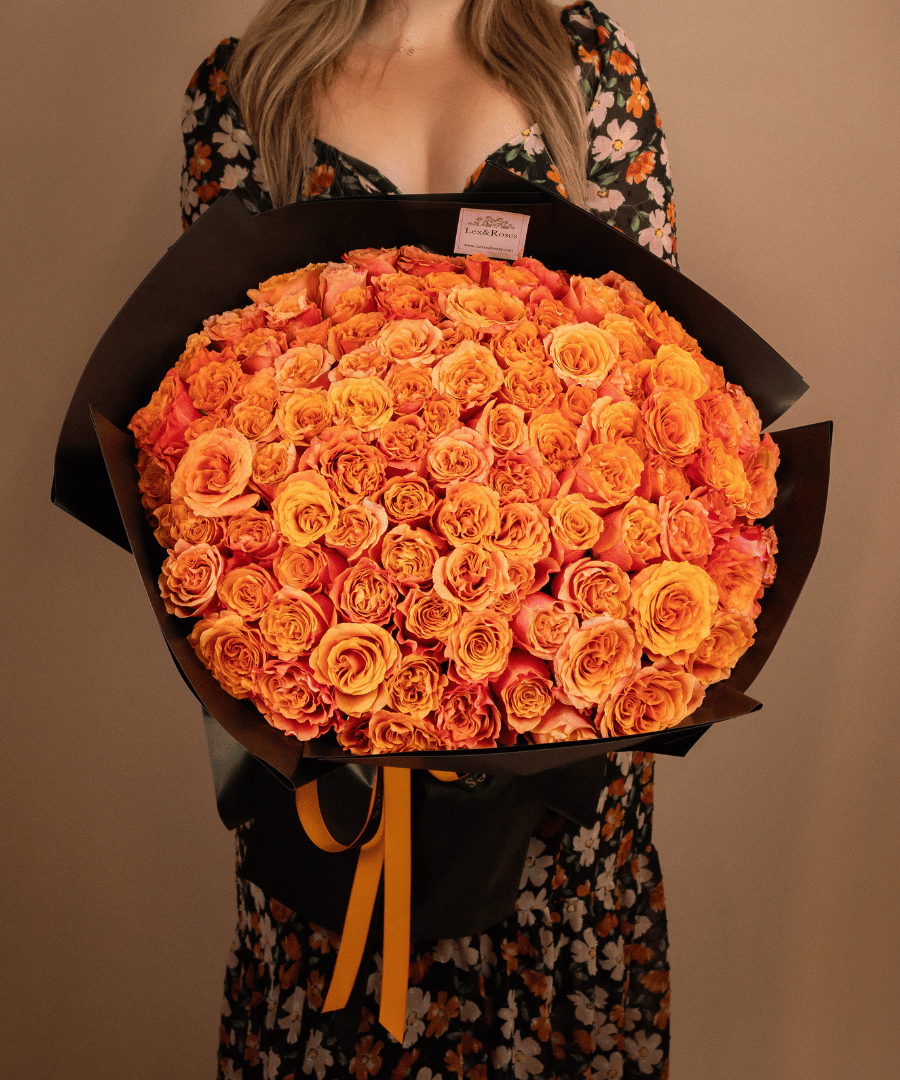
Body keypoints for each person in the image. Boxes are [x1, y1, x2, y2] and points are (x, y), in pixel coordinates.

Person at [182, 2, 676, 1076]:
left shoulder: (588, 67)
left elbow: (654, 390)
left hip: (557, 717)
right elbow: (206, 401)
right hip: (335, 726)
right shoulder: (244, 89)